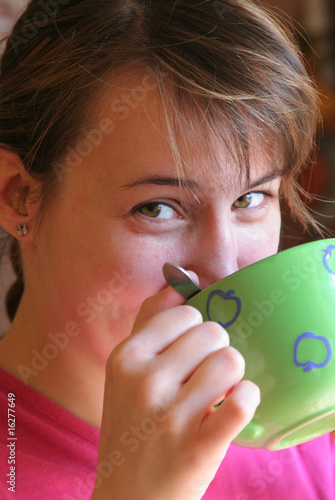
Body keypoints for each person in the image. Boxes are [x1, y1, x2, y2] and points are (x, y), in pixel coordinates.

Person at [0, 0, 334, 499]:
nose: (222, 269)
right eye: (157, 208)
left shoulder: (295, 408)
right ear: (18, 196)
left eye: (250, 198)